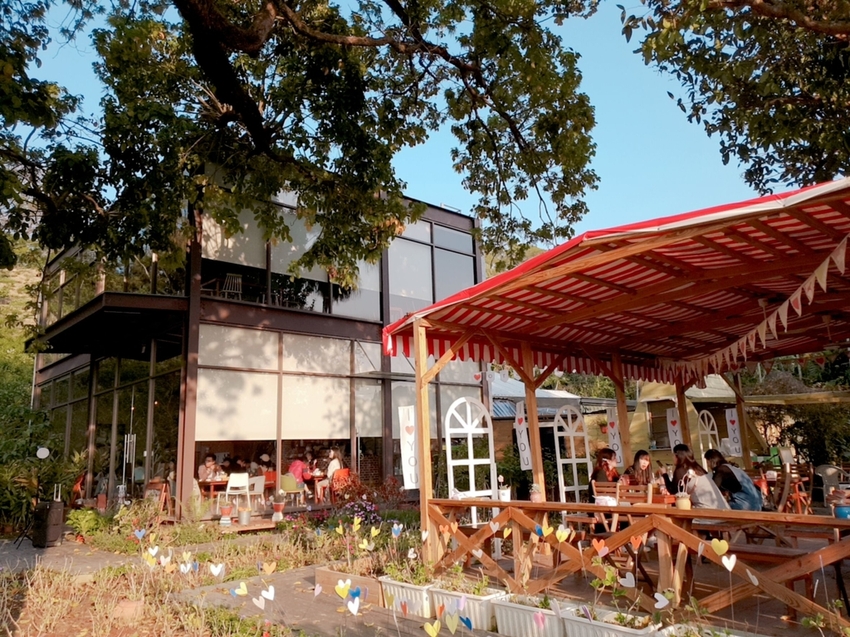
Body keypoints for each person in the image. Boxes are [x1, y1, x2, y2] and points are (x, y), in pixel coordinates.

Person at [670, 444, 729, 510]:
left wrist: (664, 475)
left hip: (708, 512)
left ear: (677, 456)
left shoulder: (681, 470)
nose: (672, 458)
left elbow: (673, 491)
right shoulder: (698, 468)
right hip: (724, 508)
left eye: (673, 455)